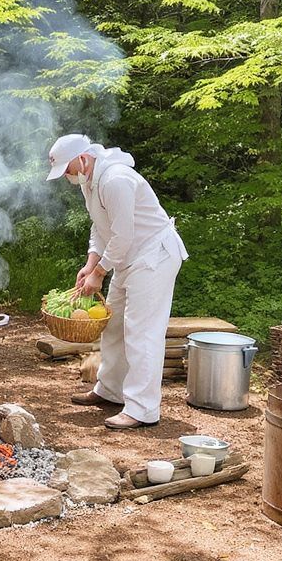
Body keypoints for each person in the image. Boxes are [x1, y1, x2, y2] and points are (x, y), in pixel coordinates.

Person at [46, 133, 188, 430]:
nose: (66, 177)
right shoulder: (89, 180)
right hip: (127, 257)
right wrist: (90, 264)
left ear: (82, 158)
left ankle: (142, 409)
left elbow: (123, 234)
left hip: (153, 256)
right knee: (113, 324)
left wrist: (100, 273)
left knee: (142, 331)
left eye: (67, 169)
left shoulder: (115, 179)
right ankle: (110, 389)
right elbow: (101, 229)